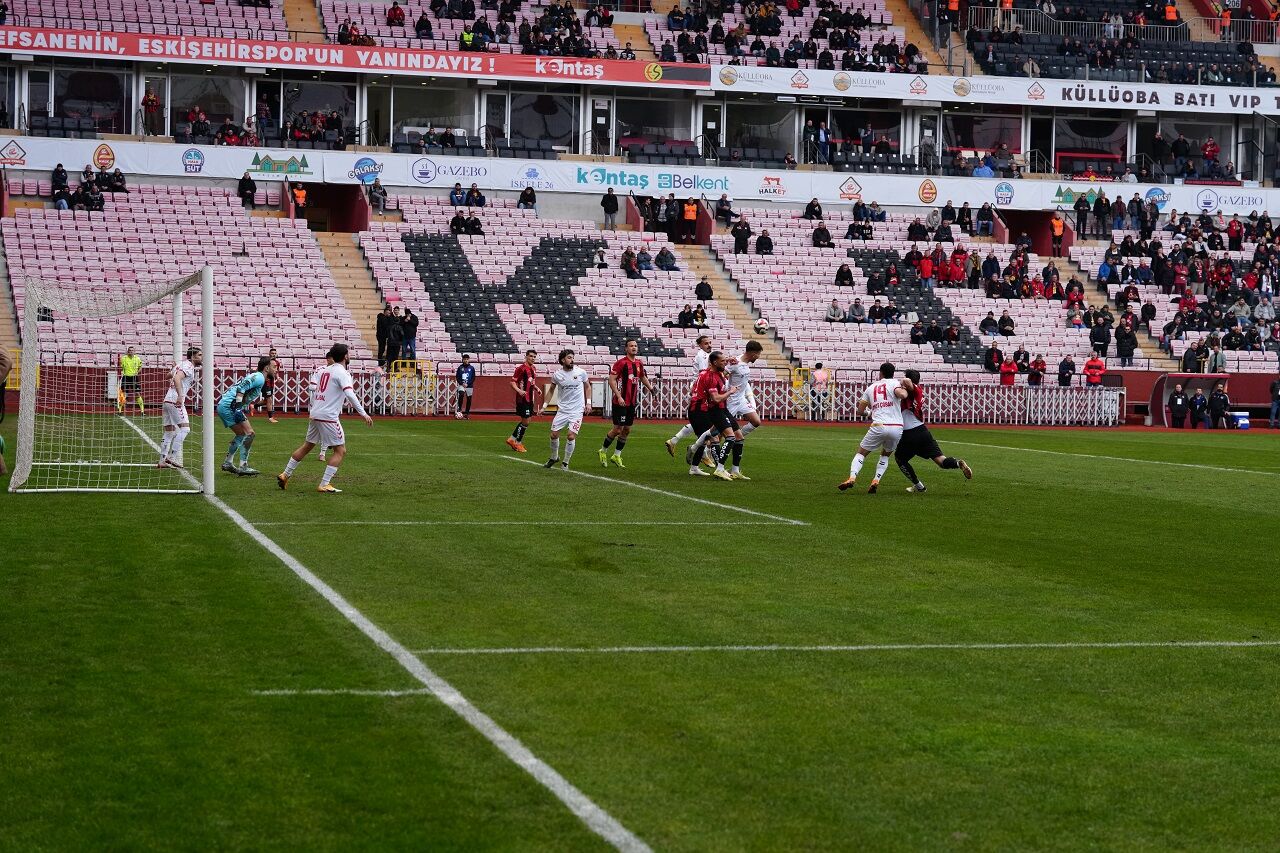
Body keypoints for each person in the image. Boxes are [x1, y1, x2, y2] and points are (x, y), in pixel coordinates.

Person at [277, 344, 372, 494]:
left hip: (315, 413)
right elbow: (349, 394)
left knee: (307, 446)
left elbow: (316, 391)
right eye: (348, 353)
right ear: (345, 356)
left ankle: (285, 474)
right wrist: (363, 413)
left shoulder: (324, 371)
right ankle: (324, 484)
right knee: (340, 451)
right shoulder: (343, 373)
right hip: (328, 416)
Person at [895, 369, 972, 493]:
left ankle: (919, 486)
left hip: (909, 433)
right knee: (941, 461)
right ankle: (958, 463)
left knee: (900, 459)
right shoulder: (916, 391)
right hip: (922, 431)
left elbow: (907, 381)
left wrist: (901, 382)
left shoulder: (913, 389)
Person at [838, 362, 911, 494]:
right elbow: (902, 395)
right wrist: (906, 389)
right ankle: (876, 480)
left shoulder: (871, 388)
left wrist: (868, 413)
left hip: (879, 425)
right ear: (893, 373)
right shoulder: (896, 383)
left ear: (880, 373)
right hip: (896, 427)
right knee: (885, 455)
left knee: (861, 453)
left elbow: (860, 411)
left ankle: (852, 477)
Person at [683, 350, 740, 481]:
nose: (725, 363)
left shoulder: (716, 372)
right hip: (708, 410)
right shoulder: (710, 377)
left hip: (716, 409)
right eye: (722, 361)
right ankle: (720, 468)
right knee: (723, 438)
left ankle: (694, 453)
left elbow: (722, 368)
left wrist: (730, 360)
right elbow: (716, 398)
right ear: (714, 362)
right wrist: (730, 392)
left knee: (710, 435)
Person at [217, 356, 276, 476]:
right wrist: (238, 407)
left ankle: (228, 462)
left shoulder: (260, 378)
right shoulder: (259, 377)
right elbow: (241, 387)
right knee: (250, 433)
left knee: (241, 434)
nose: (276, 369)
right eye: (274, 367)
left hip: (225, 405)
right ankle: (243, 466)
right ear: (266, 368)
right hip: (229, 406)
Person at [600, 339, 655, 468]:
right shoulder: (621, 363)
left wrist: (651, 388)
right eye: (631, 346)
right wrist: (619, 396)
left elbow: (642, 377)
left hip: (631, 402)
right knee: (617, 429)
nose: (634, 348)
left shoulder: (639, 363)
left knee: (627, 430)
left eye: (635, 346)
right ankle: (603, 451)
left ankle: (616, 455)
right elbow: (611, 380)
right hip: (620, 402)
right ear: (626, 348)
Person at [665, 335, 714, 458]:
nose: (709, 345)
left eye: (710, 343)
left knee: (699, 422)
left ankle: (674, 441)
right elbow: (704, 373)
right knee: (707, 423)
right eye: (706, 343)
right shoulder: (703, 356)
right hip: (700, 391)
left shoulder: (705, 355)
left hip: (698, 389)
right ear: (700, 345)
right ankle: (702, 452)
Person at [721, 341, 765, 480]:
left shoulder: (744, 363)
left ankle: (734, 468)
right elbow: (722, 374)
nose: (758, 357)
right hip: (731, 401)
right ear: (753, 353)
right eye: (758, 354)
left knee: (756, 421)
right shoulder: (735, 363)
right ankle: (700, 448)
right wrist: (726, 390)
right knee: (717, 432)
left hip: (741, 400)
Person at [544, 349, 591, 470]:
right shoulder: (557, 375)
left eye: (572, 357)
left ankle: (565, 462)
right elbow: (551, 390)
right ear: (563, 360)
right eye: (569, 358)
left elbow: (587, 387)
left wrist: (589, 403)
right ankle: (554, 457)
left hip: (577, 410)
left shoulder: (581, 372)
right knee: (554, 435)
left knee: (571, 436)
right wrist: (544, 406)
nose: (572, 360)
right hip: (563, 410)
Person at [157, 347, 201, 469]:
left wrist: (174, 369)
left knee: (169, 431)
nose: (201, 357)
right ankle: (172, 457)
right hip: (175, 401)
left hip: (167, 400)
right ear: (193, 357)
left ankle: (162, 461)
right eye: (199, 355)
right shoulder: (188, 366)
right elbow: (176, 378)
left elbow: (168, 376)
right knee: (185, 429)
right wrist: (181, 395)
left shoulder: (180, 365)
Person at [506, 349, 541, 453]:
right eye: (531, 356)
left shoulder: (533, 368)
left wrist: (536, 388)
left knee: (527, 421)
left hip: (530, 398)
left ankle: (512, 439)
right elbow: (512, 382)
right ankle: (518, 443)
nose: (533, 358)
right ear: (526, 357)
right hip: (523, 398)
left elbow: (531, 382)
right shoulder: (521, 368)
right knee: (525, 421)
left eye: (534, 357)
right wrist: (519, 390)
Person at [117, 346, 144, 414]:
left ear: (134, 352)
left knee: (137, 393)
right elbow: (121, 367)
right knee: (123, 394)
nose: (131, 352)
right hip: (126, 377)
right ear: (128, 351)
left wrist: (137, 372)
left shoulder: (137, 358)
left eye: (132, 350)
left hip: (134, 377)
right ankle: (119, 411)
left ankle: (142, 411)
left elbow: (140, 367)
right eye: (130, 350)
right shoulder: (123, 358)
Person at [261, 346, 282, 423]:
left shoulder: (277, 363)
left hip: (272, 383)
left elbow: (276, 372)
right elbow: (260, 369)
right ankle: (270, 417)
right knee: (269, 399)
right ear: (269, 354)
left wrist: (278, 378)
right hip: (266, 383)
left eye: (275, 353)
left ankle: (254, 406)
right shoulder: (266, 361)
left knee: (266, 400)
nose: (274, 354)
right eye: (272, 353)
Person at [454, 354, 476, 419]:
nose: (466, 360)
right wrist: (461, 383)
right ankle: (460, 409)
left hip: (469, 386)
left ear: (469, 360)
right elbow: (457, 377)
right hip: (461, 385)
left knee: (469, 398)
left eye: (467, 359)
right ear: (462, 360)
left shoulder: (471, 368)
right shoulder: (460, 368)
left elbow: (473, 378)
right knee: (461, 394)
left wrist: (468, 384)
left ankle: (467, 413)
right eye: (464, 359)